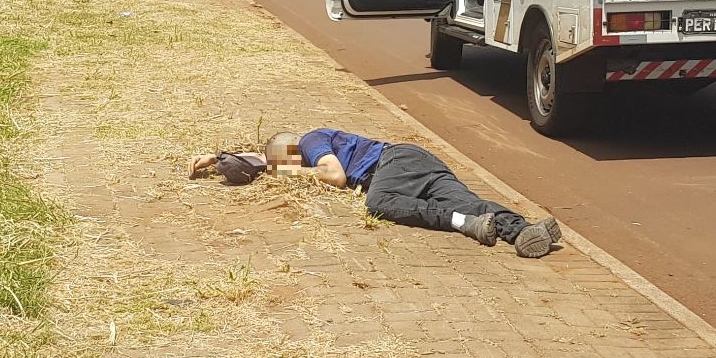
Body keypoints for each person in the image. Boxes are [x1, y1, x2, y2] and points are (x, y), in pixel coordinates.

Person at [190, 130, 562, 257]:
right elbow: (260, 159)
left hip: (391, 165)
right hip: (414, 160)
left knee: (379, 204)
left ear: (292, 152)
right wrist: (217, 158)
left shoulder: (311, 141)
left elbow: (334, 176)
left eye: (284, 165)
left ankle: (465, 224)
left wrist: (294, 170)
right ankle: (526, 230)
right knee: (462, 197)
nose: (286, 173)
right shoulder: (301, 148)